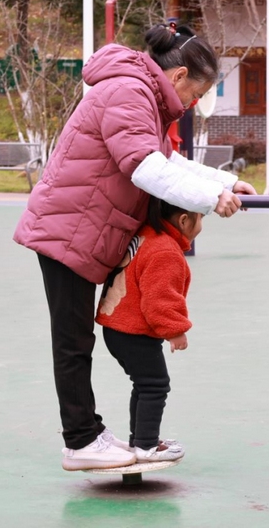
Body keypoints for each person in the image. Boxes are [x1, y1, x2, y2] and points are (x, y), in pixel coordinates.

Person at [13, 23, 256, 471]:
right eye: (196, 94)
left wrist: (224, 181)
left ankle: (98, 435)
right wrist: (210, 199)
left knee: (77, 338)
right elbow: (145, 167)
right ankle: (81, 440)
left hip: (82, 225)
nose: (193, 104)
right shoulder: (128, 91)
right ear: (179, 76)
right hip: (68, 226)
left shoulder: (140, 94)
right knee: (72, 341)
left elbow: (166, 159)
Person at [95, 198, 201, 464]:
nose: (201, 226)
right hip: (133, 331)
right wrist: (175, 330)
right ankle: (146, 446)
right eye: (201, 218)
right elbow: (159, 299)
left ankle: (140, 439)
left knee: (144, 384)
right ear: (184, 220)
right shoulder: (165, 251)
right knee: (155, 385)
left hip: (118, 327)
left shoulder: (146, 234)